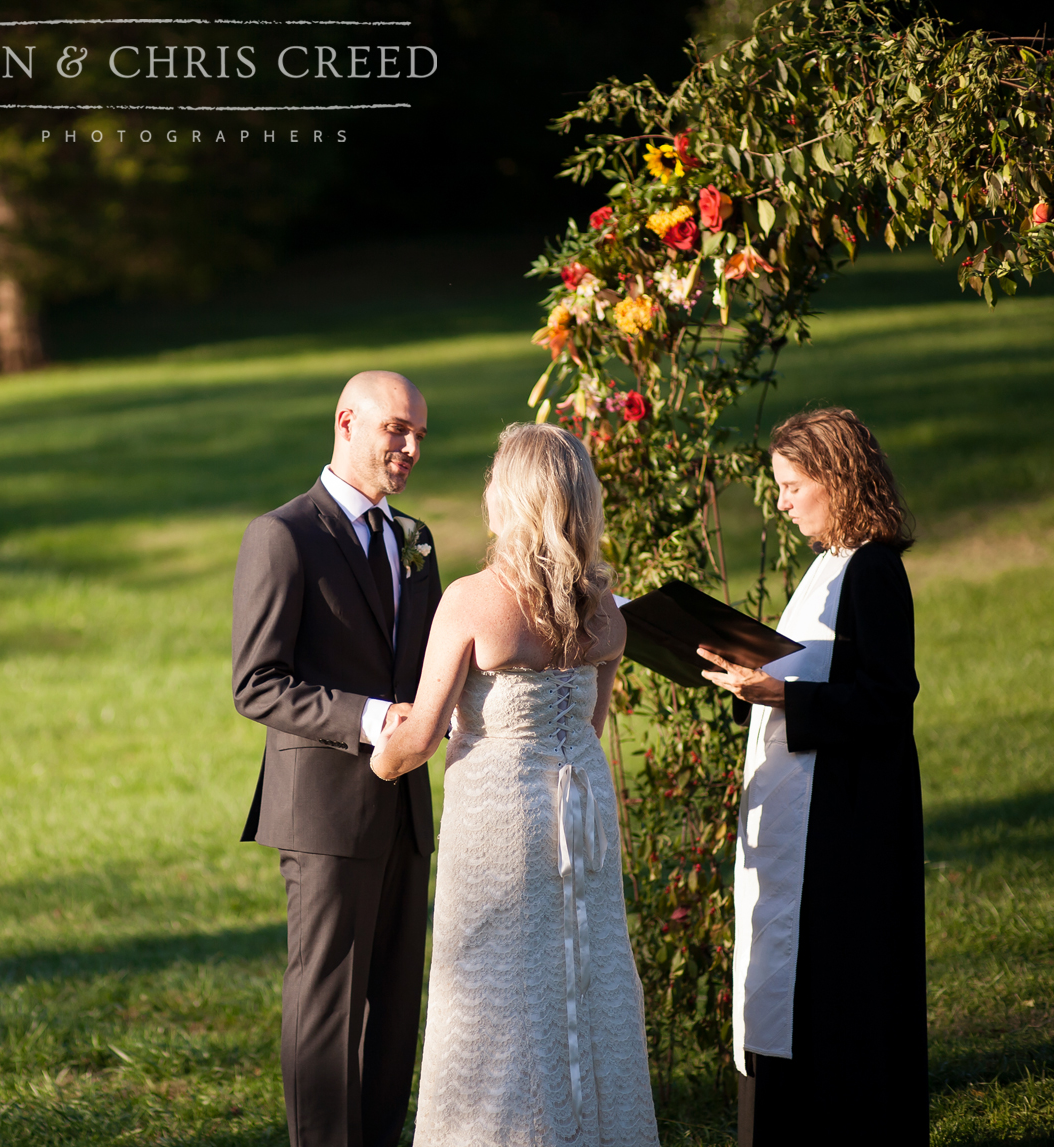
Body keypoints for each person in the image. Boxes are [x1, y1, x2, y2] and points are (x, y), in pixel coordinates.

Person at [372, 423, 658, 1146]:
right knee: (583, 974)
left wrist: (377, 750)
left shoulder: (474, 599)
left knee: (494, 996)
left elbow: (419, 735)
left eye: (495, 478)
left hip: (500, 821)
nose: (485, 491)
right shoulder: (606, 607)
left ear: (514, 497)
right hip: (584, 815)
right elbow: (589, 725)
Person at [698, 407, 925, 1145]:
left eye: (794, 485)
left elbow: (888, 700)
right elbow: (810, 672)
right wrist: (754, 683)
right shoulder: (827, 564)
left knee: (838, 998)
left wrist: (782, 695)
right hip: (806, 817)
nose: (784, 501)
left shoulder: (874, 569)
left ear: (837, 478)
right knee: (791, 993)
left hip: (847, 831)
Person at [231, 370, 442, 1147]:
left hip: (407, 809)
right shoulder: (282, 535)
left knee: (393, 1008)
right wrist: (370, 717)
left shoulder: (415, 539)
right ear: (346, 421)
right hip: (323, 811)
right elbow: (256, 684)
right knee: (326, 1005)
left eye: (420, 432)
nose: (412, 446)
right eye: (397, 429)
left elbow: (428, 668)